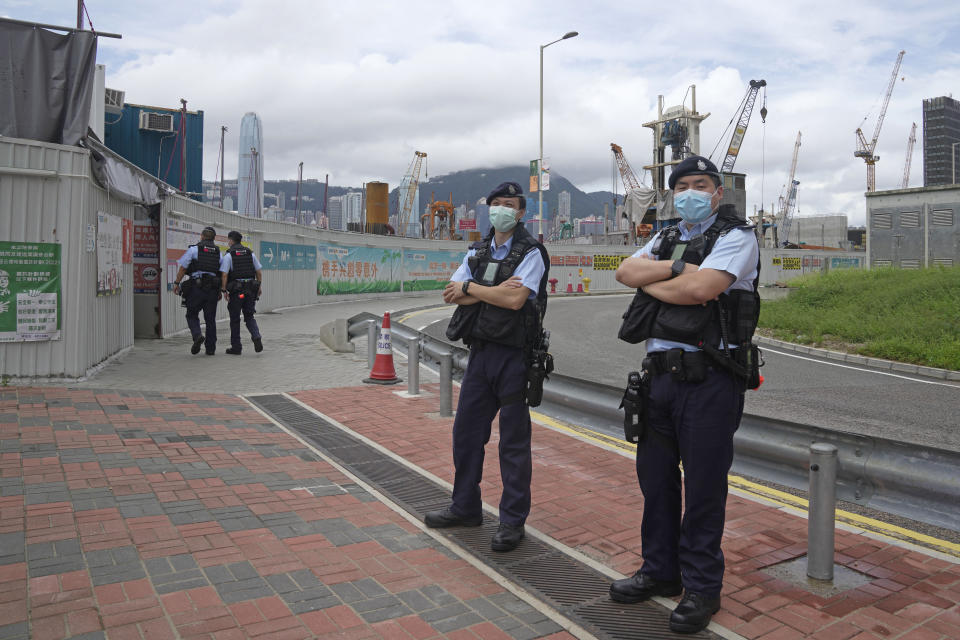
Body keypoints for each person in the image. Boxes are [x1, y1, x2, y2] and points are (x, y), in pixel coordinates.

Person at [610, 156, 760, 634]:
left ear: (718, 193)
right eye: (683, 186)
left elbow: (703, 289)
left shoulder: (738, 236)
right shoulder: (668, 235)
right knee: (655, 482)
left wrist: (658, 281)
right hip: (657, 377)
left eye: (701, 185)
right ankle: (659, 570)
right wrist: (675, 269)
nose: (691, 192)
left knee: (702, 488)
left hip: (710, 377)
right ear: (673, 194)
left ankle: (701, 587)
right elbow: (624, 272)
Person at [424, 181, 550, 553]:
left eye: (509, 204)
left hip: (515, 357)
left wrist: (473, 290)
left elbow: (515, 301)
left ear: (521, 212)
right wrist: (485, 290)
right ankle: (465, 506)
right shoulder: (477, 250)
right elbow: (450, 291)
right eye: (495, 204)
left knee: (512, 444)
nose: (501, 210)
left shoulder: (532, 252)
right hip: (480, 355)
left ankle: (512, 522)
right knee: (466, 435)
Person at [172, 226, 223, 355]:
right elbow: (222, 272)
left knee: (191, 314)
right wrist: (221, 290)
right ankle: (210, 349)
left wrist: (177, 283)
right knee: (210, 319)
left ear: (201, 236)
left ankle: (197, 335)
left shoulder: (194, 250)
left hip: (197, 287)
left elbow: (183, 268)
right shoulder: (218, 252)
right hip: (212, 289)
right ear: (213, 239)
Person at [219, 231, 264, 355]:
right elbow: (258, 272)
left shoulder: (229, 255)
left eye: (229, 240)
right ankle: (256, 336)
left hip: (236, 290)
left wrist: (224, 290)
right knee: (249, 316)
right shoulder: (250, 254)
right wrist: (259, 286)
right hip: (250, 289)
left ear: (231, 241)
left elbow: (224, 274)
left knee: (235, 319)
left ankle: (236, 347)